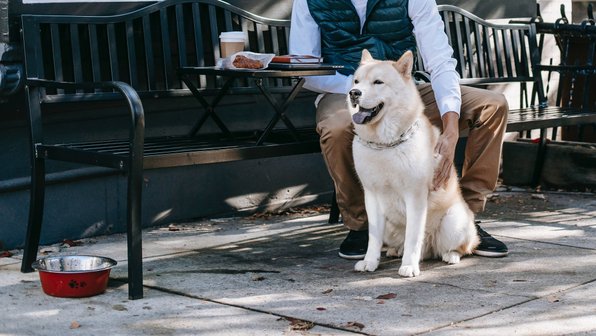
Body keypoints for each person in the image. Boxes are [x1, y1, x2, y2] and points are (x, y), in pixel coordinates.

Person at [289, 0, 509, 259]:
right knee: (336, 127)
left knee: (492, 105)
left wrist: (450, 130)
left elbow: (440, 61)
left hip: (404, 91)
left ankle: (465, 217)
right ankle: (360, 226)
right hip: (345, 91)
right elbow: (304, 67)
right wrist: (366, 85)